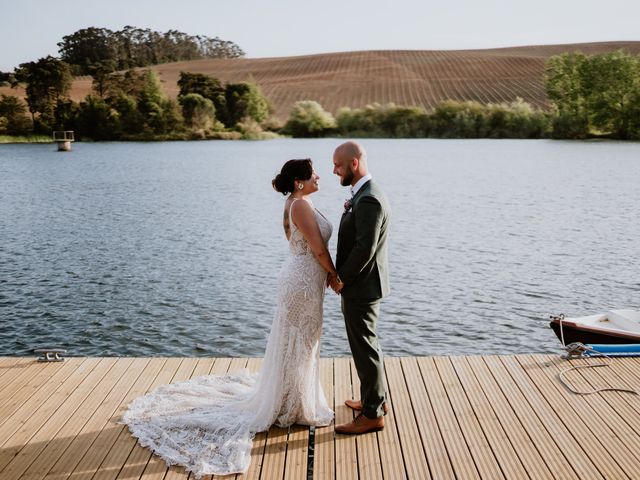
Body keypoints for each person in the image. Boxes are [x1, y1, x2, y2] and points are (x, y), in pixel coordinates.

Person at [122, 158, 335, 477]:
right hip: (303, 281)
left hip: (301, 277)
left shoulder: (298, 201)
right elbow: (317, 248)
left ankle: (291, 399)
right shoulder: (300, 206)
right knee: (300, 341)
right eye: (313, 173)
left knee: (300, 342)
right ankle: (291, 405)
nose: (319, 176)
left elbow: (297, 243)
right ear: (299, 182)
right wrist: (334, 274)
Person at [330, 141, 391, 435]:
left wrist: (341, 278)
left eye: (338, 165)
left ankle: (373, 414)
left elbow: (364, 249)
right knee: (368, 346)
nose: (334, 171)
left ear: (354, 164)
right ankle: (374, 400)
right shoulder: (364, 193)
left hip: (362, 287)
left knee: (365, 349)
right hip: (364, 285)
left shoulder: (368, 199)